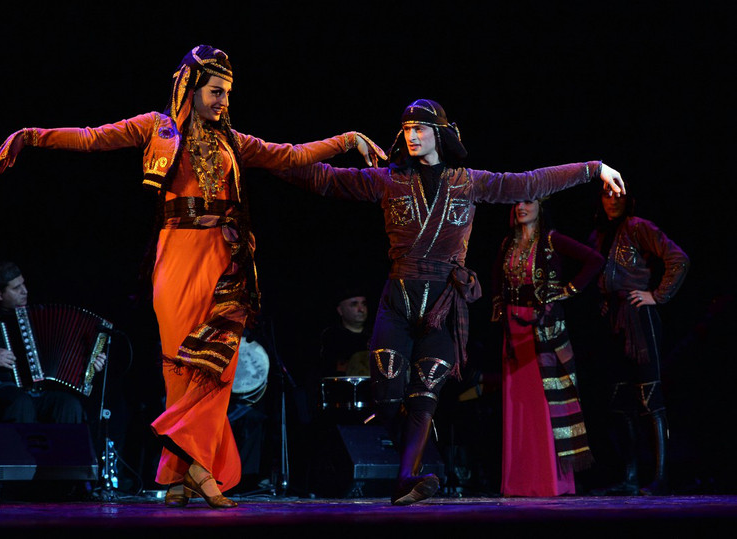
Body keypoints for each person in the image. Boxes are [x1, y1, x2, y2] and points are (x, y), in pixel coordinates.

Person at [0, 45, 381, 508]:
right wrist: (31, 136)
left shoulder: (234, 141)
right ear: (190, 89)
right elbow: (92, 138)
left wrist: (346, 140)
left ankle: (191, 471)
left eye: (227, 93)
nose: (223, 101)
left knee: (219, 367)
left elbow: (292, 155)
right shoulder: (157, 128)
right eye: (215, 91)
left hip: (225, 260)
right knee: (180, 369)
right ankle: (186, 475)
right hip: (176, 255)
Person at [274, 98, 626, 505]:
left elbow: (530, 183)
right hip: (399, 300)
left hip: (443, 306)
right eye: (407, 130)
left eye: (420, 129)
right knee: (386, 400)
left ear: (439, 134)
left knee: (424, 396)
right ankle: (410, 473)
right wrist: (273, 158)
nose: (412, 136)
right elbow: (322, 179)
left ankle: (406, 479)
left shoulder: (468, 182)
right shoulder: (388, 180)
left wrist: (594, 169)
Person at [490, 199, 603, 496]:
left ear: (541, 206)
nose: (521, 206)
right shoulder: (507, 244)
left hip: (542, 329)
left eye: (529, 201)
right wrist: (499, 309)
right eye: (517, 201)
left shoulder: (551, 240)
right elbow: (496, 280)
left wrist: (568, 291)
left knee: (545, 404)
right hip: (514, 332)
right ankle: (518, 482)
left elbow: (595, 260)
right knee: (517, 406)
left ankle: (549, 481)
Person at [588, 181, 689, 496]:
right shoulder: (598, 235)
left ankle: (660, 477)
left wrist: (657, 296)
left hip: (638, 318)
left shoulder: (637, 226)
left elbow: (678, 258)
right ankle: (630, 476)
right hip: (613, 320)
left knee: (649, 397)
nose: (613, 200)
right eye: (608, 194)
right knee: (620, 400)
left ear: (629, 199)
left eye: (619, 195)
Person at [0, 260, 106, 424]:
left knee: (69, 405)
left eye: (23, 284)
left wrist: (89, 363)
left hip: (37, 393)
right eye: (16, 288)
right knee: (21, 403)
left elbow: (66, 352)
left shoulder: (39, 315)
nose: (25, 291)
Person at [320, 287, 372, 377]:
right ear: (340, 310)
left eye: (364, 304)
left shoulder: (377, 334)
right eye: (354, 304)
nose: (361, 309)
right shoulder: (332, 337)